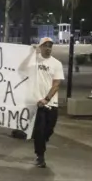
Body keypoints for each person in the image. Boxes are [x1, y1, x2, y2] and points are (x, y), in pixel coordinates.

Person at [26, 37, 64, 168]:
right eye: (45, 45)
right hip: (38, 103)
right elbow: (21, 67)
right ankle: (40, 156)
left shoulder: (56, 64)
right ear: (40, 47)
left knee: (49, 129)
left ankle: (41, 141)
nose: (48, 48)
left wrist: (47, 99)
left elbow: (56, 84)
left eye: (50, 46)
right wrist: (30, 52)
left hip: (51, 103)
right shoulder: (34, 60)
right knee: (40, 131)